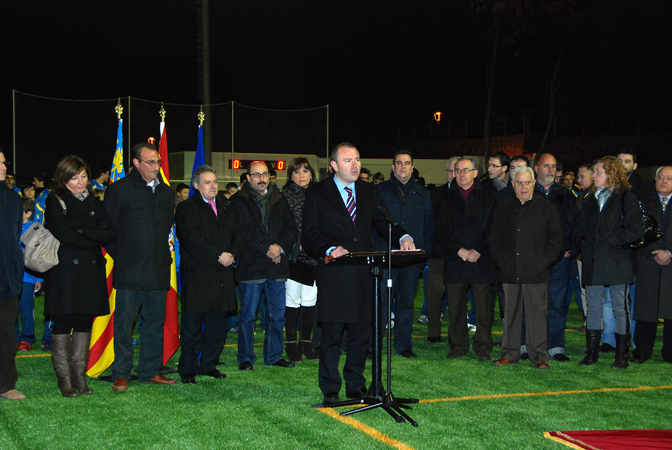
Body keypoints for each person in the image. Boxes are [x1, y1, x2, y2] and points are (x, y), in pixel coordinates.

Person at [302, 142, 415, 405]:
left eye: (357, 159)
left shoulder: (368, 191)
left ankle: (355, 384)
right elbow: (309, 235)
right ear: (333, 166)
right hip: (335, 274)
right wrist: (329, 248)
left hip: (365, 275)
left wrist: (404, 236)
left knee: (361, 335)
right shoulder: (318, 193)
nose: (355, 165)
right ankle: (330, 387)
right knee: (331, 336)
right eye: (347, 160)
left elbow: (385, 223)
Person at [105, 142, 177, 391]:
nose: (156, 166)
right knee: (124, 324)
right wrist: (124, 256)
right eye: (150, 162)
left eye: (157, 162)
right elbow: (108, 230)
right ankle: (121, 372)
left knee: (154, 323)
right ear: (135, 163)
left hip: (158, 269)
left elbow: (167, 230)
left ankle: (149, 370)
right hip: (129, 271)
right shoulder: (119, 190)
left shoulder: (167, 193)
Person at [43, 155, 116, 397]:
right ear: (63, 179)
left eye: (83, 176)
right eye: (74, 178)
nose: (80, 182)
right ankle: (64, 379)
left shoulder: (94, 199)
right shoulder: (55, 200)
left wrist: (82, 232)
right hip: (64, 271)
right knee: (63, 321)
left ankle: (79, 377)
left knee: (85, 321)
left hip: (90, 269)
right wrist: (89, 235)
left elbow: (109, 232)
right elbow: (61, 232)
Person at [574, 156, 644, 368]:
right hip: (594, 261)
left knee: (620, 308)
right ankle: (592, 353)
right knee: (593, 307)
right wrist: (584, 244)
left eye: (597, 172)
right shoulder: (590, 199)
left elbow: (635, 230)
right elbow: (580, 227)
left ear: (611, 174)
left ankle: (621, 355)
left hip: (617, 260)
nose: (593, 176)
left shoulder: (626, 197)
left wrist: (609, 241)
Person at [490, 166, 563, 369]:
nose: (523, 187)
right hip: (510, 272)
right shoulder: (503, 207)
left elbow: (556, 240)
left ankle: (539, 356)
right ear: (512, 184)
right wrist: (503, 262)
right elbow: (494, 239)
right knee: (510, 316)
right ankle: (509, 354)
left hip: (536, 272)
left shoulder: (546, 207)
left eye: (527, 182)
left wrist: (542, 261)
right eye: (519, 183)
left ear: (534, 183)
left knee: (536, 317)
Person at [229, 161, 298, 370]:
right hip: (251, 266)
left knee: (277, 315)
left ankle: (274, 356)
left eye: (265, 174)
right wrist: (268, 248)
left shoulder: (280, 198)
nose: (261, 179)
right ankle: (246, 357)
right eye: (256, 175)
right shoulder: (237, 201)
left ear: (270, 177)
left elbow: (291, 228)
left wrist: (279, 247)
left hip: (276, 266)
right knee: (248, 316)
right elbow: (240, 233)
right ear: (248, 178)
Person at [175, 165, 239, 383]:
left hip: (223, 275)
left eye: (214, 181)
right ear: (196, 185)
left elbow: (239, 233)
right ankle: (188, 368)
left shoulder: (227, 205)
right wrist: (217, 255)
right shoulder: (186, 209)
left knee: (217, 327)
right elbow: (192, 240)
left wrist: (231, 254)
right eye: (207, 182)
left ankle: (209, 364)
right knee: (192, 327)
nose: (213, 186)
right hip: (199, 275)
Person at [373, 150, 433, 358]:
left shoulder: (421, 192)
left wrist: (425, 251)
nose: (402, 167)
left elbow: (429, 224)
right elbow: (374, 223)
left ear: (412, 167)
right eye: (398, 163)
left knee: (406, 303)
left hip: (411, 259)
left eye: (407, 163)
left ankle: (404, 345)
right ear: (392, 166)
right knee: (382, 303)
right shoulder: (381, 191)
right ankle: (375, 346)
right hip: (387, 255)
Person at [435, 157, 497, 361]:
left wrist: (478, 250)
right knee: (455, 307)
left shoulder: (489, 196)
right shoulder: (444, 196)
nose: (461, 174)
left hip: (481, 259)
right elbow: (441, 229)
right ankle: (458, 345)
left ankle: (483, 347)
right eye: (458, 171)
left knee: (483, 308)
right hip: (455, 259)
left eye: (466, 170)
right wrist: (458, 250)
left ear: (475, 173)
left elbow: (493, 227)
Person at [533, 153, 580, 362]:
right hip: (531, 259)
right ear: (536, 168)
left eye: (553, 166)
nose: (550, 170)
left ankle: (555, 346)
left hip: (559, 259)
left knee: (557, 303)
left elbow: (576, 225)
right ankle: (529, 344)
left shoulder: (566, 194)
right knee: (531, 302)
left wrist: (570, 249)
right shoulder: (526, 190)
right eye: (546, 166)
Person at [632, 166, 672, 364]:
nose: (663, 181)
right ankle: (642, 351)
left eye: (669, 178)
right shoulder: (644, 204)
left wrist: (669, 252)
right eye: (660, 177)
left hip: (671, 263)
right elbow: (637, 230)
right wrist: (653, 251)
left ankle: (670, 352)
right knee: (646, 310)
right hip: (648, 261)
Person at [282, 157, 319, 363]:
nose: (302, 175)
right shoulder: (284, 196)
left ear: (312, 174)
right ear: (291, 176)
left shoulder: (319, 194)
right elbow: (284, 227)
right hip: (293, 258)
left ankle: (306, 344)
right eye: (297, 171)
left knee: (310, 301)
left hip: (314, 257)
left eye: (305, 171)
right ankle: (291, 345)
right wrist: (299, 242)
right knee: (292, 301)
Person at [421, 156, 459, 341]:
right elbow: (430, 223)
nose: (454, 175)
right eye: (451, 171)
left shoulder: (471, 195)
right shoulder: (436, 194)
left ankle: (455, 335)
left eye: (457, 171)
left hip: (459, 256)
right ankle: (434, 333)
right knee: (434, 296)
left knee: (456, 298)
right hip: (438, 254)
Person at [0, 149, 26, 400]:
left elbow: (15, 237)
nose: (3, 167)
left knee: (7, 333)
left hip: (7, 277)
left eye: (4, 163)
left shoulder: (13, 198)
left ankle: (6, 383)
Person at [16, 198, 43, 352]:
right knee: (11, 309)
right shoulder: (11, 226)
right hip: (12, 276)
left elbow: (40, 256)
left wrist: (39, 278)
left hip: (28, 277)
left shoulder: (35, 230)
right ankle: (11, 338)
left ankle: (26, 338)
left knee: (26, 308)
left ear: (28, 213)